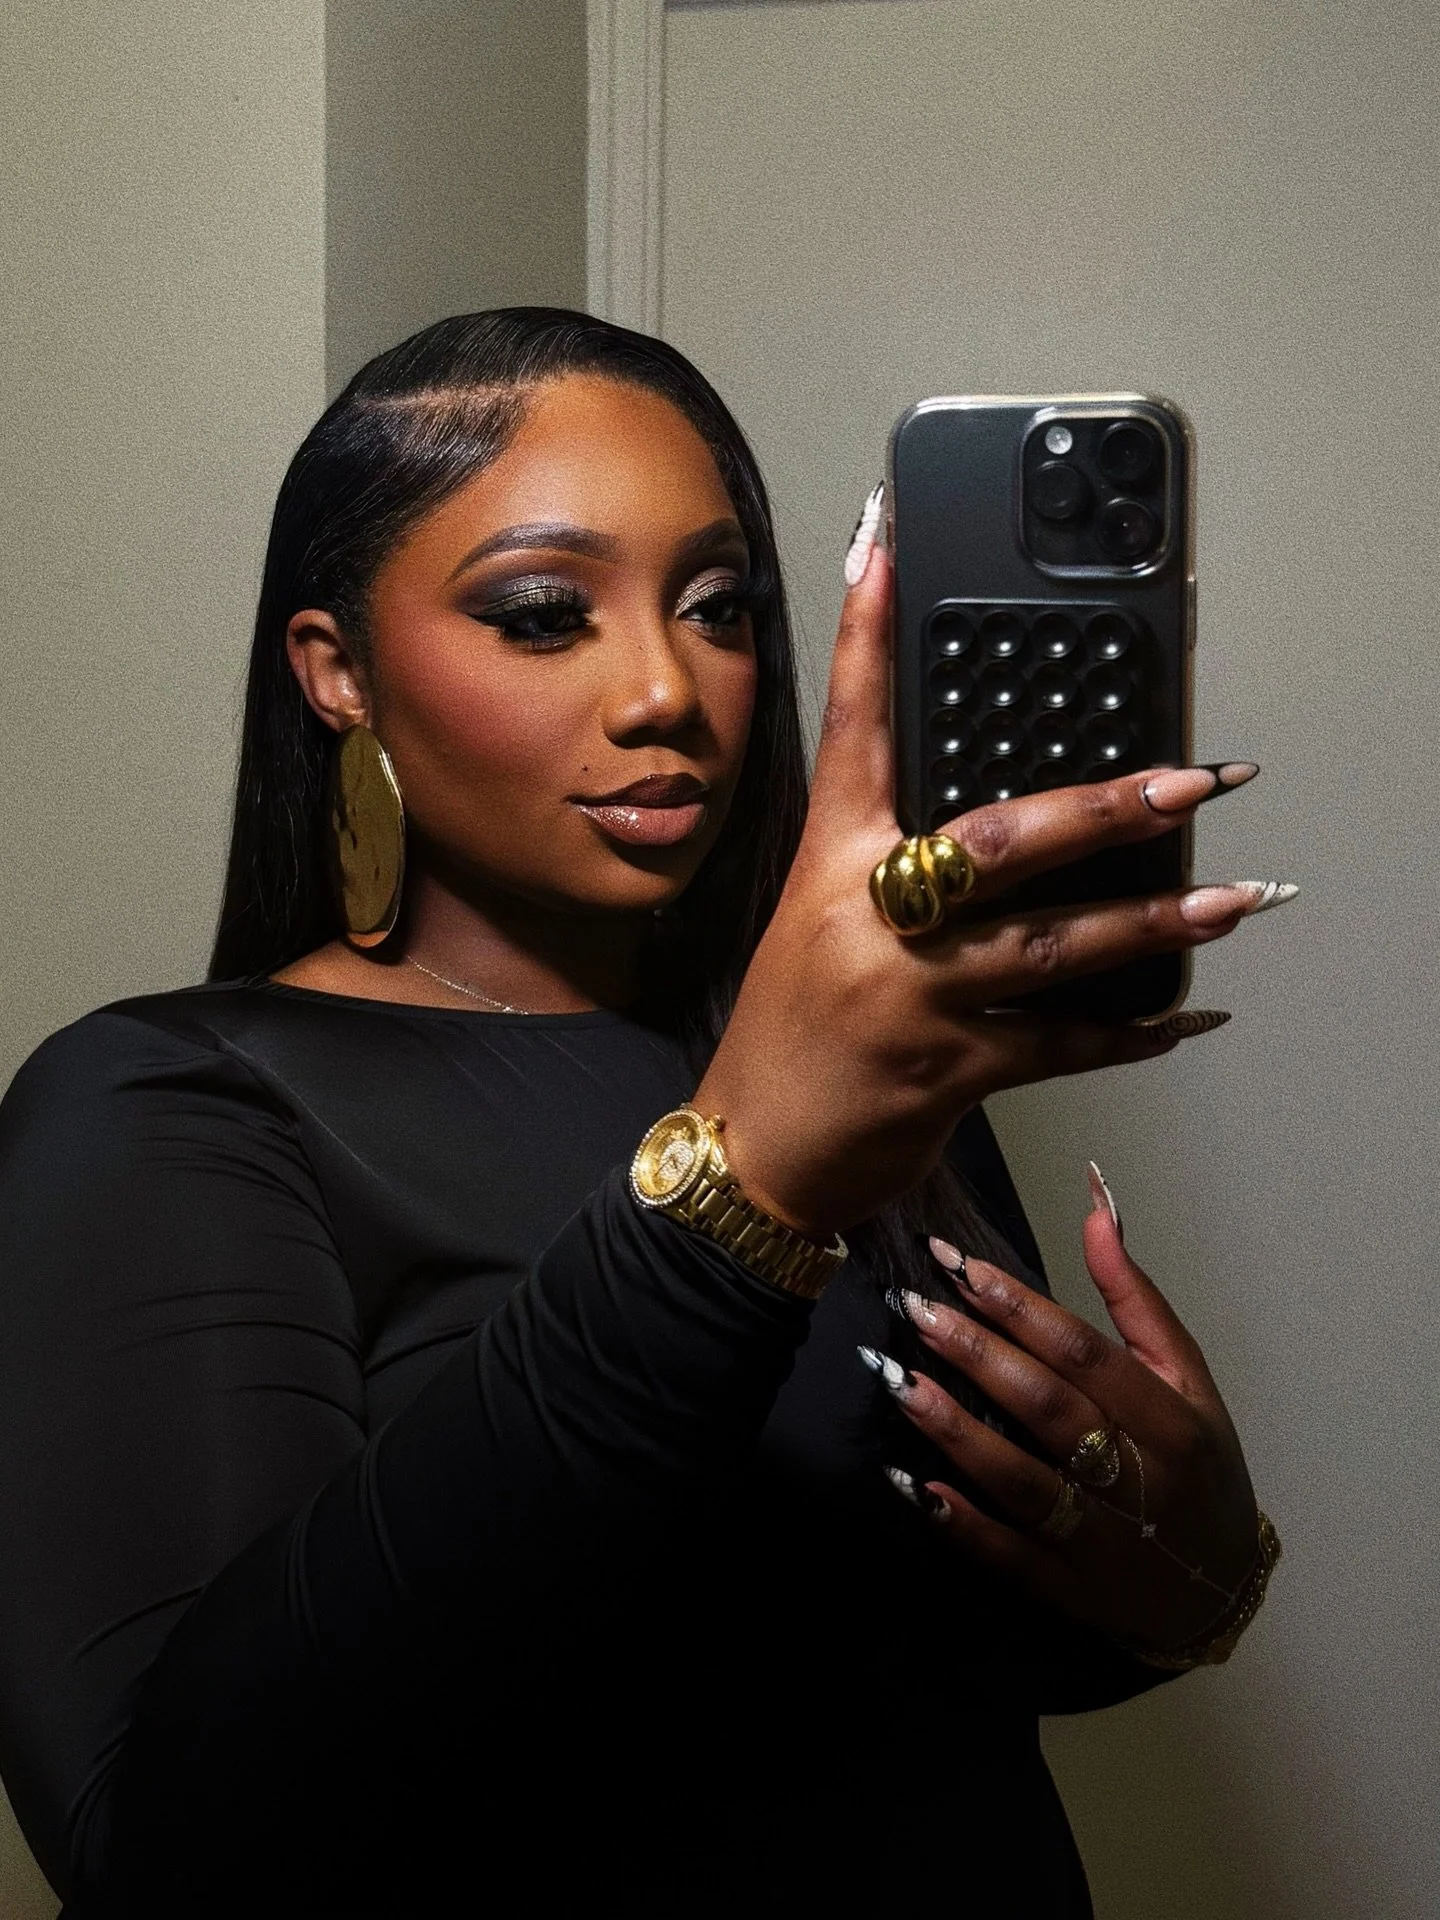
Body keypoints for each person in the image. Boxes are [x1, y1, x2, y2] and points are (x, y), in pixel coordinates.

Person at [0, 309, 1289, 1917]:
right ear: (338, 671)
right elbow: (178, 1851)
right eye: (546, 615)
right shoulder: (170, 1108)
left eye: (718, 607)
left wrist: (1189, 1572)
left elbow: (909, 1690)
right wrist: (739, 1190)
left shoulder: (858, 1075)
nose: (670, 690)